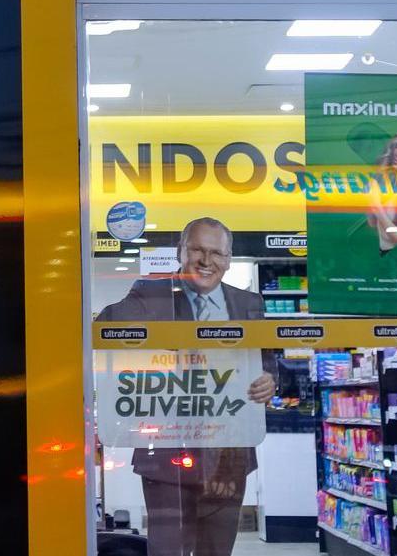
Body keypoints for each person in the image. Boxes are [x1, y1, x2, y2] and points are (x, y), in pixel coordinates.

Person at [95, 216, 277, 556]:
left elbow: (266, 362)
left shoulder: (249, 304)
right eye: (197, 250)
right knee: (166, 550)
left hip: (229, 455)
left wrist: (270, 381)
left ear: (228, 258)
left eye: (216, 253)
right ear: (181, 252)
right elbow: (105, 325)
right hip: (167, 455)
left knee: (217, 550)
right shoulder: (151, 292)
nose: (206, 262)